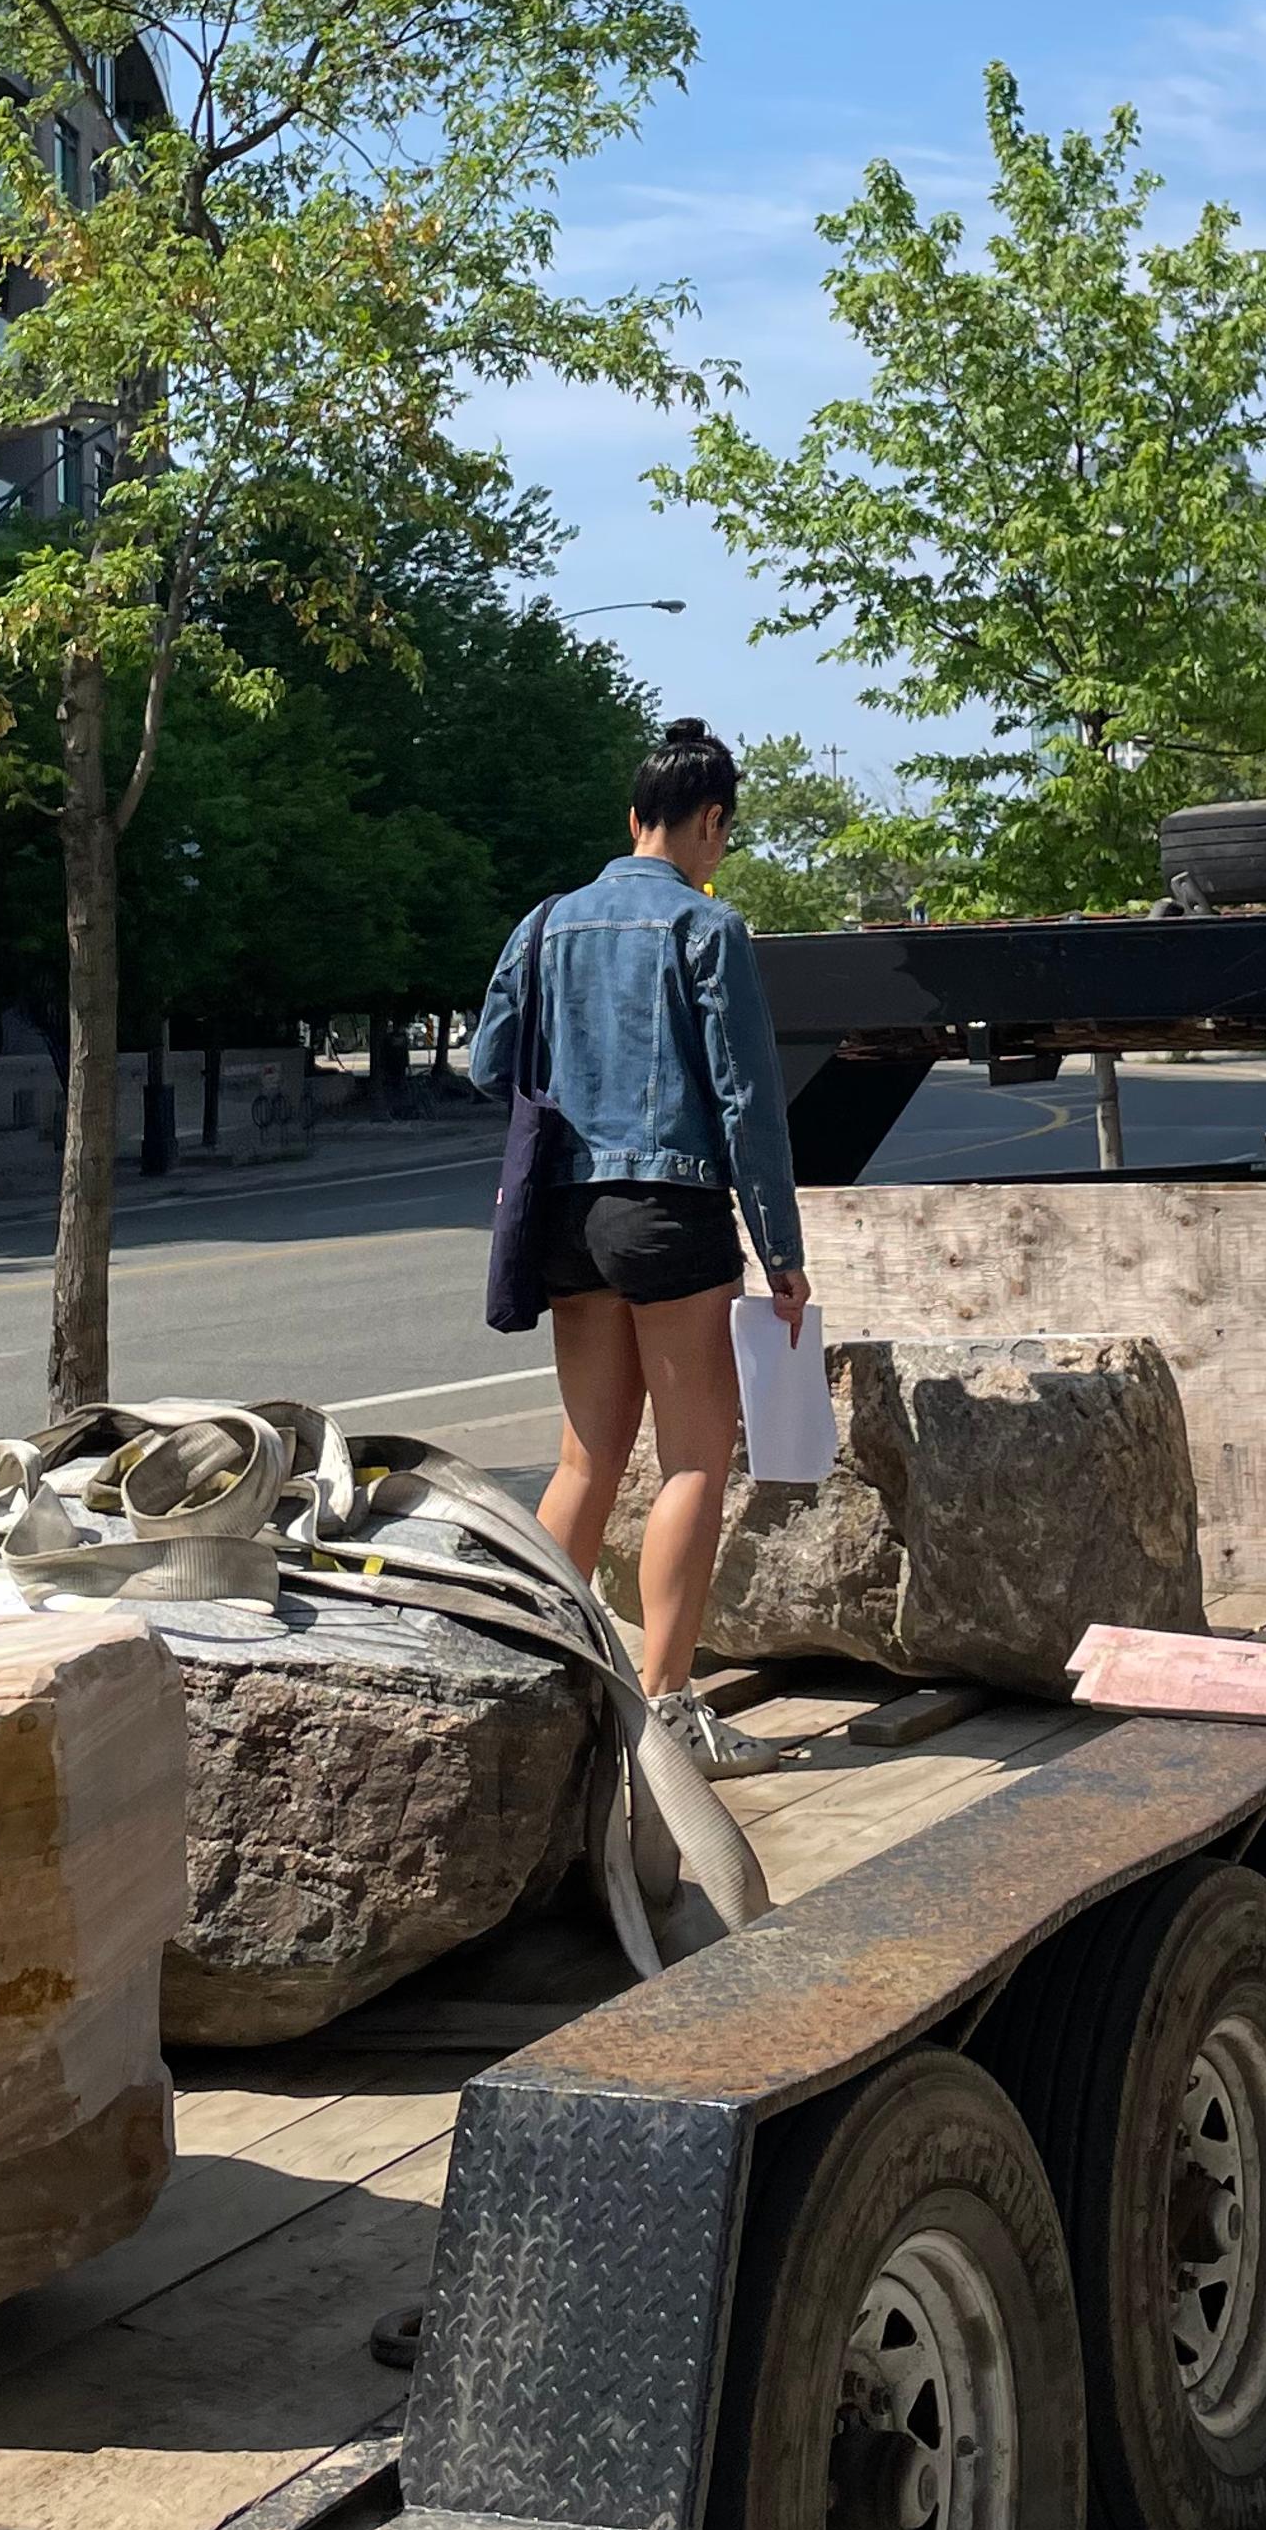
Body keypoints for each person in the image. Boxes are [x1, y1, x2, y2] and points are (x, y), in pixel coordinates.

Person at [466, 718, 810, 1776]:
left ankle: (534, 1679)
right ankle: (668, 1704)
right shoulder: (708, 928)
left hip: (566, 1209)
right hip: (671, 1210)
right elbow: (748, 1098)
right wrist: (781, 1244)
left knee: (586, 1455)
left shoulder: (545, 922)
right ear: (709, 821)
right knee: (695, 1456)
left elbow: (487, 1061)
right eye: (725, 832)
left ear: (631, 817)